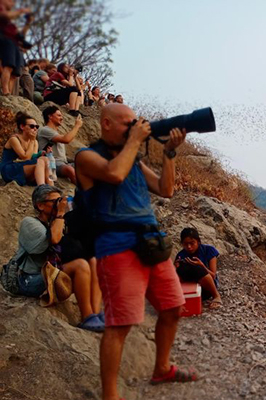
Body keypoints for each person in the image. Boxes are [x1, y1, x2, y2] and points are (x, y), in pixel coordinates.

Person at [75, 103, 196, 400]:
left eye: (135, 124)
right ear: (105, 123)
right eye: (127, 124)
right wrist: (135, 140)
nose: (133, 129)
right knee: (120, 324)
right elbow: (114, 174)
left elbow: (166, 190)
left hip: (151, 244)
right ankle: (111, 395)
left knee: (172, 307)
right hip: (117, 248)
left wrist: (169, 153)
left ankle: (162, 368)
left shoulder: (134, 159)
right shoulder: (86, 156)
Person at [14, 185, 104, 332]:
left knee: (94, 261)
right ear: (40, 205)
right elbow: (54, 239)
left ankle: (95, 314)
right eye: (55, 201)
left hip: (50, 273)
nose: (59, 205)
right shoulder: (29, 223)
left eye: (60, 201)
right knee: (81, 265)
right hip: (30, 279)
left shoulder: (58, 222)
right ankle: (87, 317)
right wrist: (61, 213)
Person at [174, 228, 222, 309]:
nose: (189, 247)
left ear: (198, 242)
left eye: (192, 243)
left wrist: (202, 266)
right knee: (181, 270)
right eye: (186, 244)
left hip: (208, 288)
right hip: (190, 288)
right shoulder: (181, 255)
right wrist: (176, 268)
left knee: (197, 269)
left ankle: (216, 296)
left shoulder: (209, 250)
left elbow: (213, 275)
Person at [0, 111, 51, 186]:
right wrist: (32, 141)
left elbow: (32, 157)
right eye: (32, 126)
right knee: (41, 163)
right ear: (22, 127)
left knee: (45, 160)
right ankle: (42, 187)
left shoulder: (34, 142)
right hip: (9, 168)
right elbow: (25, 157)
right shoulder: (14, 139)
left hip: (23, 166)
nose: (35, 129)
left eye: (36, 127)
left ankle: (50, 187)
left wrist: (41, 153)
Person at [37, 105, 82, 184]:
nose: (61, 118)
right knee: (70, 170)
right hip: (52, 163)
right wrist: (77, 126)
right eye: (59, 115)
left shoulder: (55, 133)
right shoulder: (44, 130)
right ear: (50, 116)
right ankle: (84, 192)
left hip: (63, 162)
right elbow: (66, 139)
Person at [0, 0, 32, 95]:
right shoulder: (2, 10)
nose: (12, 4)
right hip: (5, 40)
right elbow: (5, 15)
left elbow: (21, 35)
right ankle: (5, 90)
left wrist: (28, 23)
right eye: (10, 1)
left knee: (15, 73)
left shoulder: (10, 23)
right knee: (8, 66)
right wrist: (21, 11)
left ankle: (9, 93)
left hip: (15, 44)